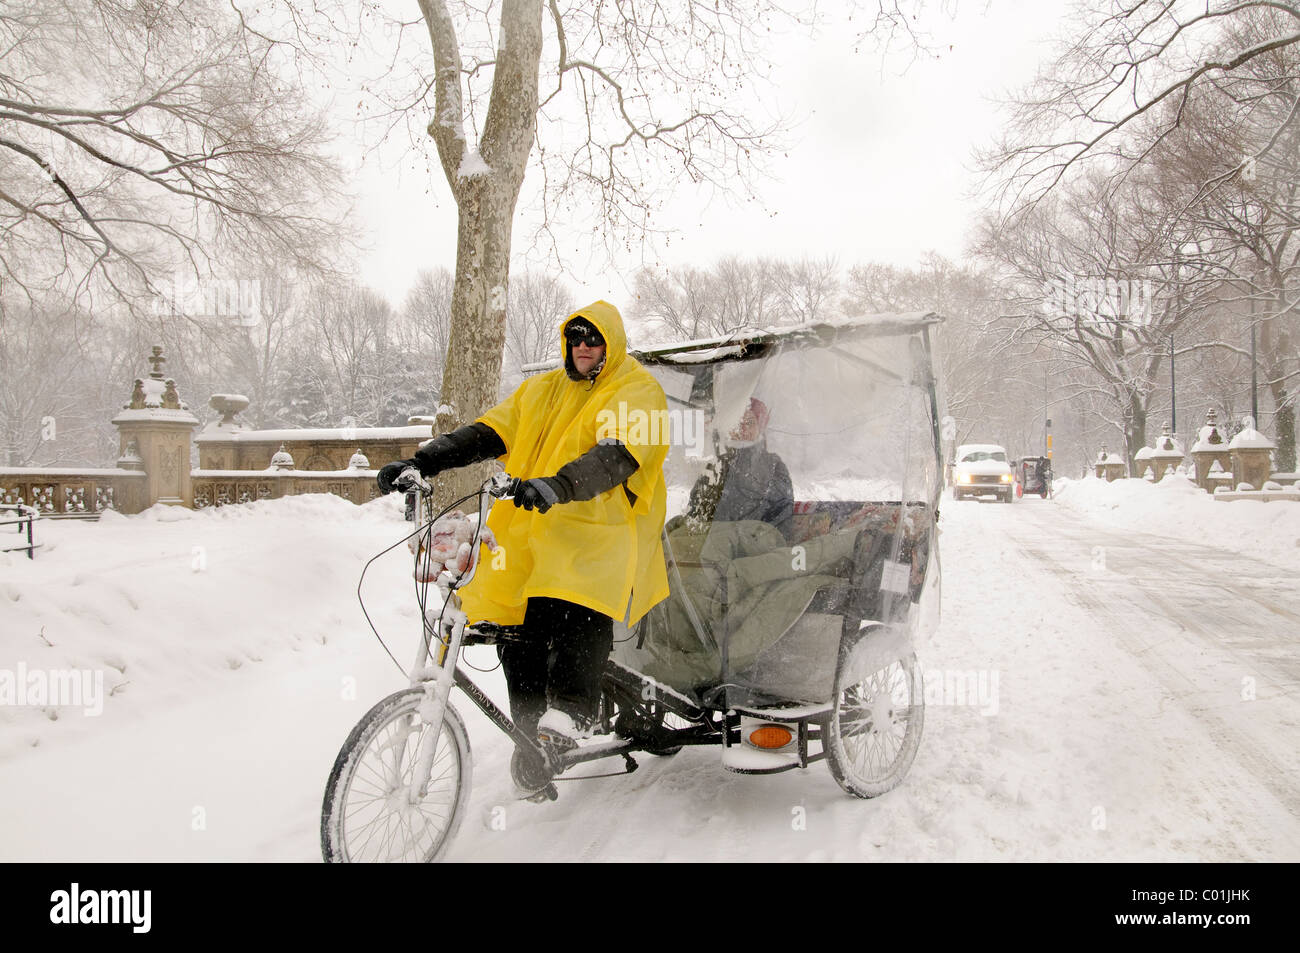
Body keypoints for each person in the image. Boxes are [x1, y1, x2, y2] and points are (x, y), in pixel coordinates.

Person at [376, 301, 670, 769]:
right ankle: (532, 734)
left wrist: (560, 484)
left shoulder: (637, 388)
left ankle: (574, 713)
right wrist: (423, 461)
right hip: (534, 528)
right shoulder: (543, 390)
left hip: (601, 530)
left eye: (593, 339)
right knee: (514, 626)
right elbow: (487, 433)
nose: (583, 348)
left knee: (575, 600)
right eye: (575, 338)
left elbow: (619, 455)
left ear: (610, 343)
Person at [687, 396, 794, 540]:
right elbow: (696, 512)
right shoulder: (716, 465)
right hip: (712, 547)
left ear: (760, 428)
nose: (743, 429)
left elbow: (782, 516)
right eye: (737, 423)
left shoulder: (774, 465)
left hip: (753, 547)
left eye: (750, 423)